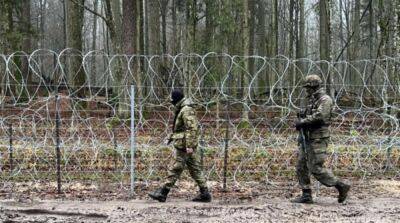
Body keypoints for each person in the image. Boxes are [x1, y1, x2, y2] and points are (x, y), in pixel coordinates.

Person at [292, 74, 350, 204]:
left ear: (313, 87)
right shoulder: (313, 100)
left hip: (318, 138)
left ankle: (341, 185)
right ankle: (306, 194)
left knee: (315, 168)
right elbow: (311, 114)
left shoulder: (325, 100)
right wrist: (302, 116)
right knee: (301, 166)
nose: (306, 90)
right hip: (307, 137)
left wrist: (303, 121)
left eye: (308, 87)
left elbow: (320, 116)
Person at [148, 89, 212, 203]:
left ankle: (163, 193)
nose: (171, 101)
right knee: (195, 169)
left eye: (172, 99)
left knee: (176, 168)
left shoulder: (186, 110)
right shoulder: (182, 108)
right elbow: (182, 128)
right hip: (184, 143)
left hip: (185, 145)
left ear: (176, 99)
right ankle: (205, 193)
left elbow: (192, 128)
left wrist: (190, 145)